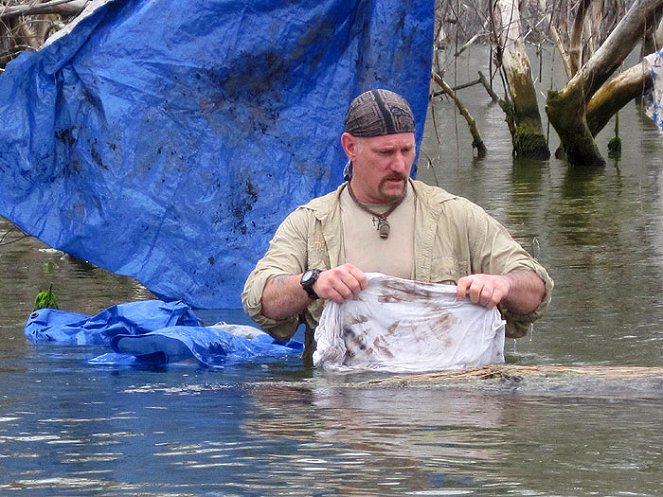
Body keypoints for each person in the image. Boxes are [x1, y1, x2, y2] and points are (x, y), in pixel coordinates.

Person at [242, 89, 553, 363]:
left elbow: (536, 290)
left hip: (440, 406)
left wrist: (503, 285)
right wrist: (312, 283)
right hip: (342, 414)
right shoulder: (310, 223)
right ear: (350, 147)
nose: (400, 165)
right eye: (385, 153)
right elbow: (260, 298)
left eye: (407, 150)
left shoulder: (457, 215)